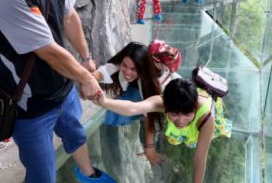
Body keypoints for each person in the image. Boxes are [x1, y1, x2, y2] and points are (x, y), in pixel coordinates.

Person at [0, 0, 115, 182]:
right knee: (43, 176)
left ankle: (88, 174)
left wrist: (86, 58)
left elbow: (68, 15)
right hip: (30, 105)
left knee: (76, 135)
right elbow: (48, 52)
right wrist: (86, 77)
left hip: (63, 89)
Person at [93, 78, 231, 183]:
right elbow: (133, 108)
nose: (181, 121)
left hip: (204, 120)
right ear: (165, 106)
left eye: (187, 114)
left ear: (194, 107)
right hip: (182, 108)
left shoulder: (206, 118)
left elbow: (200, 159)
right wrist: (104, 102)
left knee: (198, 140)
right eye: (174, 114)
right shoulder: (163, 102)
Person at [93, 40, 182, 164]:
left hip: (149, 96)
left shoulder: (159, 86)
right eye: (125, 66)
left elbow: (147, 114)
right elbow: (113, 66)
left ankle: (102, 121)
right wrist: (91, 79)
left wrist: (150, 148)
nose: (127, 72)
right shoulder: (137, 60)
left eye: (134, 69)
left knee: (117, 115)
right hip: (142, 92)